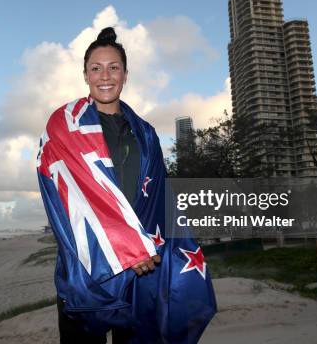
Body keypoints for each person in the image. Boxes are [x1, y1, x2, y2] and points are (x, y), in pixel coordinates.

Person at [37, 27, 216, 344]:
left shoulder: (145, 133)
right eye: (96, 68)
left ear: (125, 74)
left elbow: (162, 196)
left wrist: (170, 247)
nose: (105, 76)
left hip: (141, 270)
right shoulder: (63, 125)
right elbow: (70, 200)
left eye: (113, 67)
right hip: (86, 267)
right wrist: (129, 247)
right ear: (85, 75)